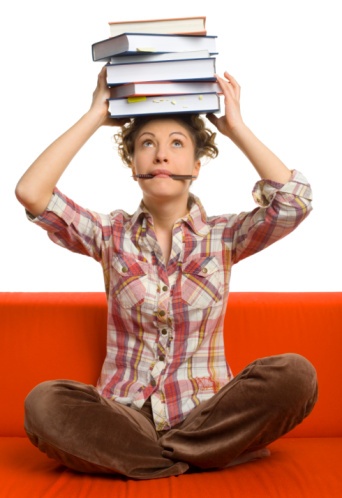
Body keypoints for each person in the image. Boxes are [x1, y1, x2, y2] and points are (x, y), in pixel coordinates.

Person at [15, 66, 318, 480]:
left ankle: (159, 458)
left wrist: (237, 128)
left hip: (209, 413)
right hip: (127, 419)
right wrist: (94, 116)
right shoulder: (109, 234)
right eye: (147, 144)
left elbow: (295, 203)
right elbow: (32, 193)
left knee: (297, 374)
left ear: (195, 166)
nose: (161, 154)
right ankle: (204, 456)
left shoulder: (225, 235)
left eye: (176, 144)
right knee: (43, 404)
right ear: (133, 162)